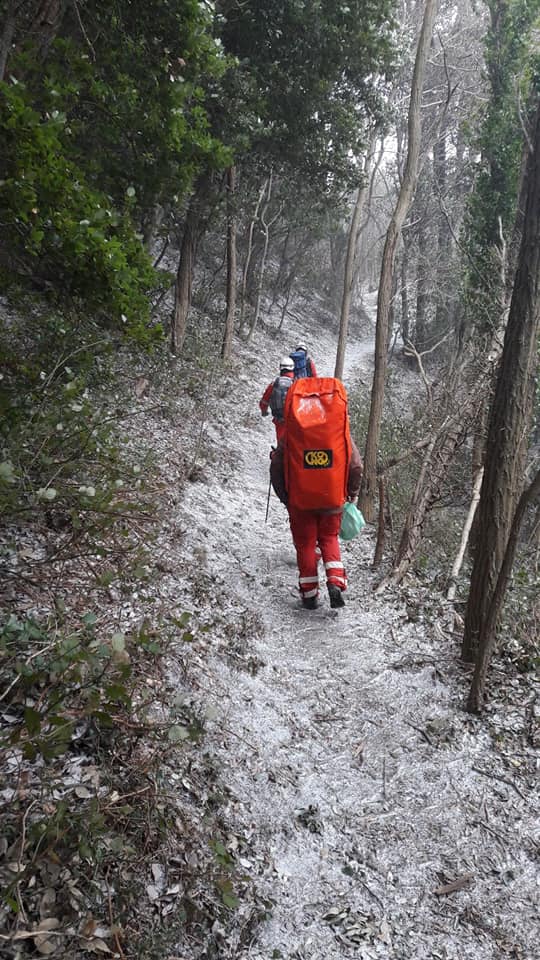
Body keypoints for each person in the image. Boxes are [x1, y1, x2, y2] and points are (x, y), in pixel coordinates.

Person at [270, 397, 363, 610]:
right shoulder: (339, 432)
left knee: (306, 545)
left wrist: (286, 497)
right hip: (332, 500)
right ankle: (336, 583)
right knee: (329, 539)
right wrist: (351, 493)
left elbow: (276, 466)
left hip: (301, 502)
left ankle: (310, 595)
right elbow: (356, 466)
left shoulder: (293, 432)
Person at [259, 358, 295, 443]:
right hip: (293, 420)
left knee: (281, 442)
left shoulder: (274, 383)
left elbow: (264, 400)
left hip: (279, 419)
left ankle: (280, 454)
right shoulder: (296, 383)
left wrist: (264, 410)